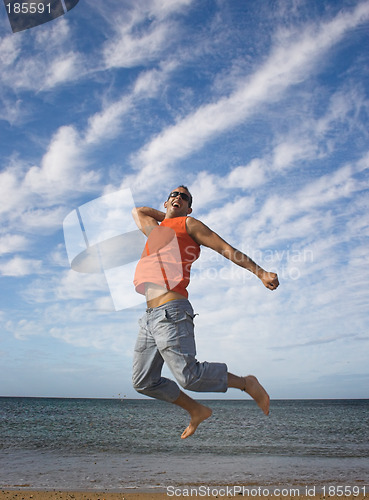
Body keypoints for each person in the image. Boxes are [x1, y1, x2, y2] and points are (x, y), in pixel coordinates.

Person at [132, 185, 279, 439]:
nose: (178, 197)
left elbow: (226, 249)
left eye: (185, 197)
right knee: (143, 381)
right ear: (166, 201)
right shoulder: (155, 231)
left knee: (189, 377)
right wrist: (168, 214)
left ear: (190, 208)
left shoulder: (188, 225)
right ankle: (196, 410)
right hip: (148, 318)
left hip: (171, 311)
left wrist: (260, 272)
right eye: (174, 195)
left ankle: (247, 383)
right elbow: (138, 211)